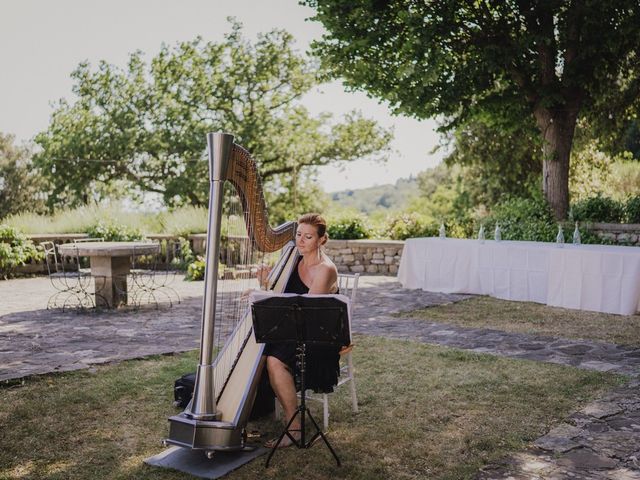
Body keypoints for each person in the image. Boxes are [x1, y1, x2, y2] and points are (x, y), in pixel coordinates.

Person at [257, 213, 340, 448]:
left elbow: (306, 312)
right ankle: (248, 411)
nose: (301, 241)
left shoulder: (325, 269)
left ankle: (294, 428)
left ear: (321, 240)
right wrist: (264, 284)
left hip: (317, 336)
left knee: (273, 359)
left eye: (309, 237)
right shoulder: (292, 261)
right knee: (258, 350)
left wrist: (269, 296)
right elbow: (281, 296)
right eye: (298, 235)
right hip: (292, 329)